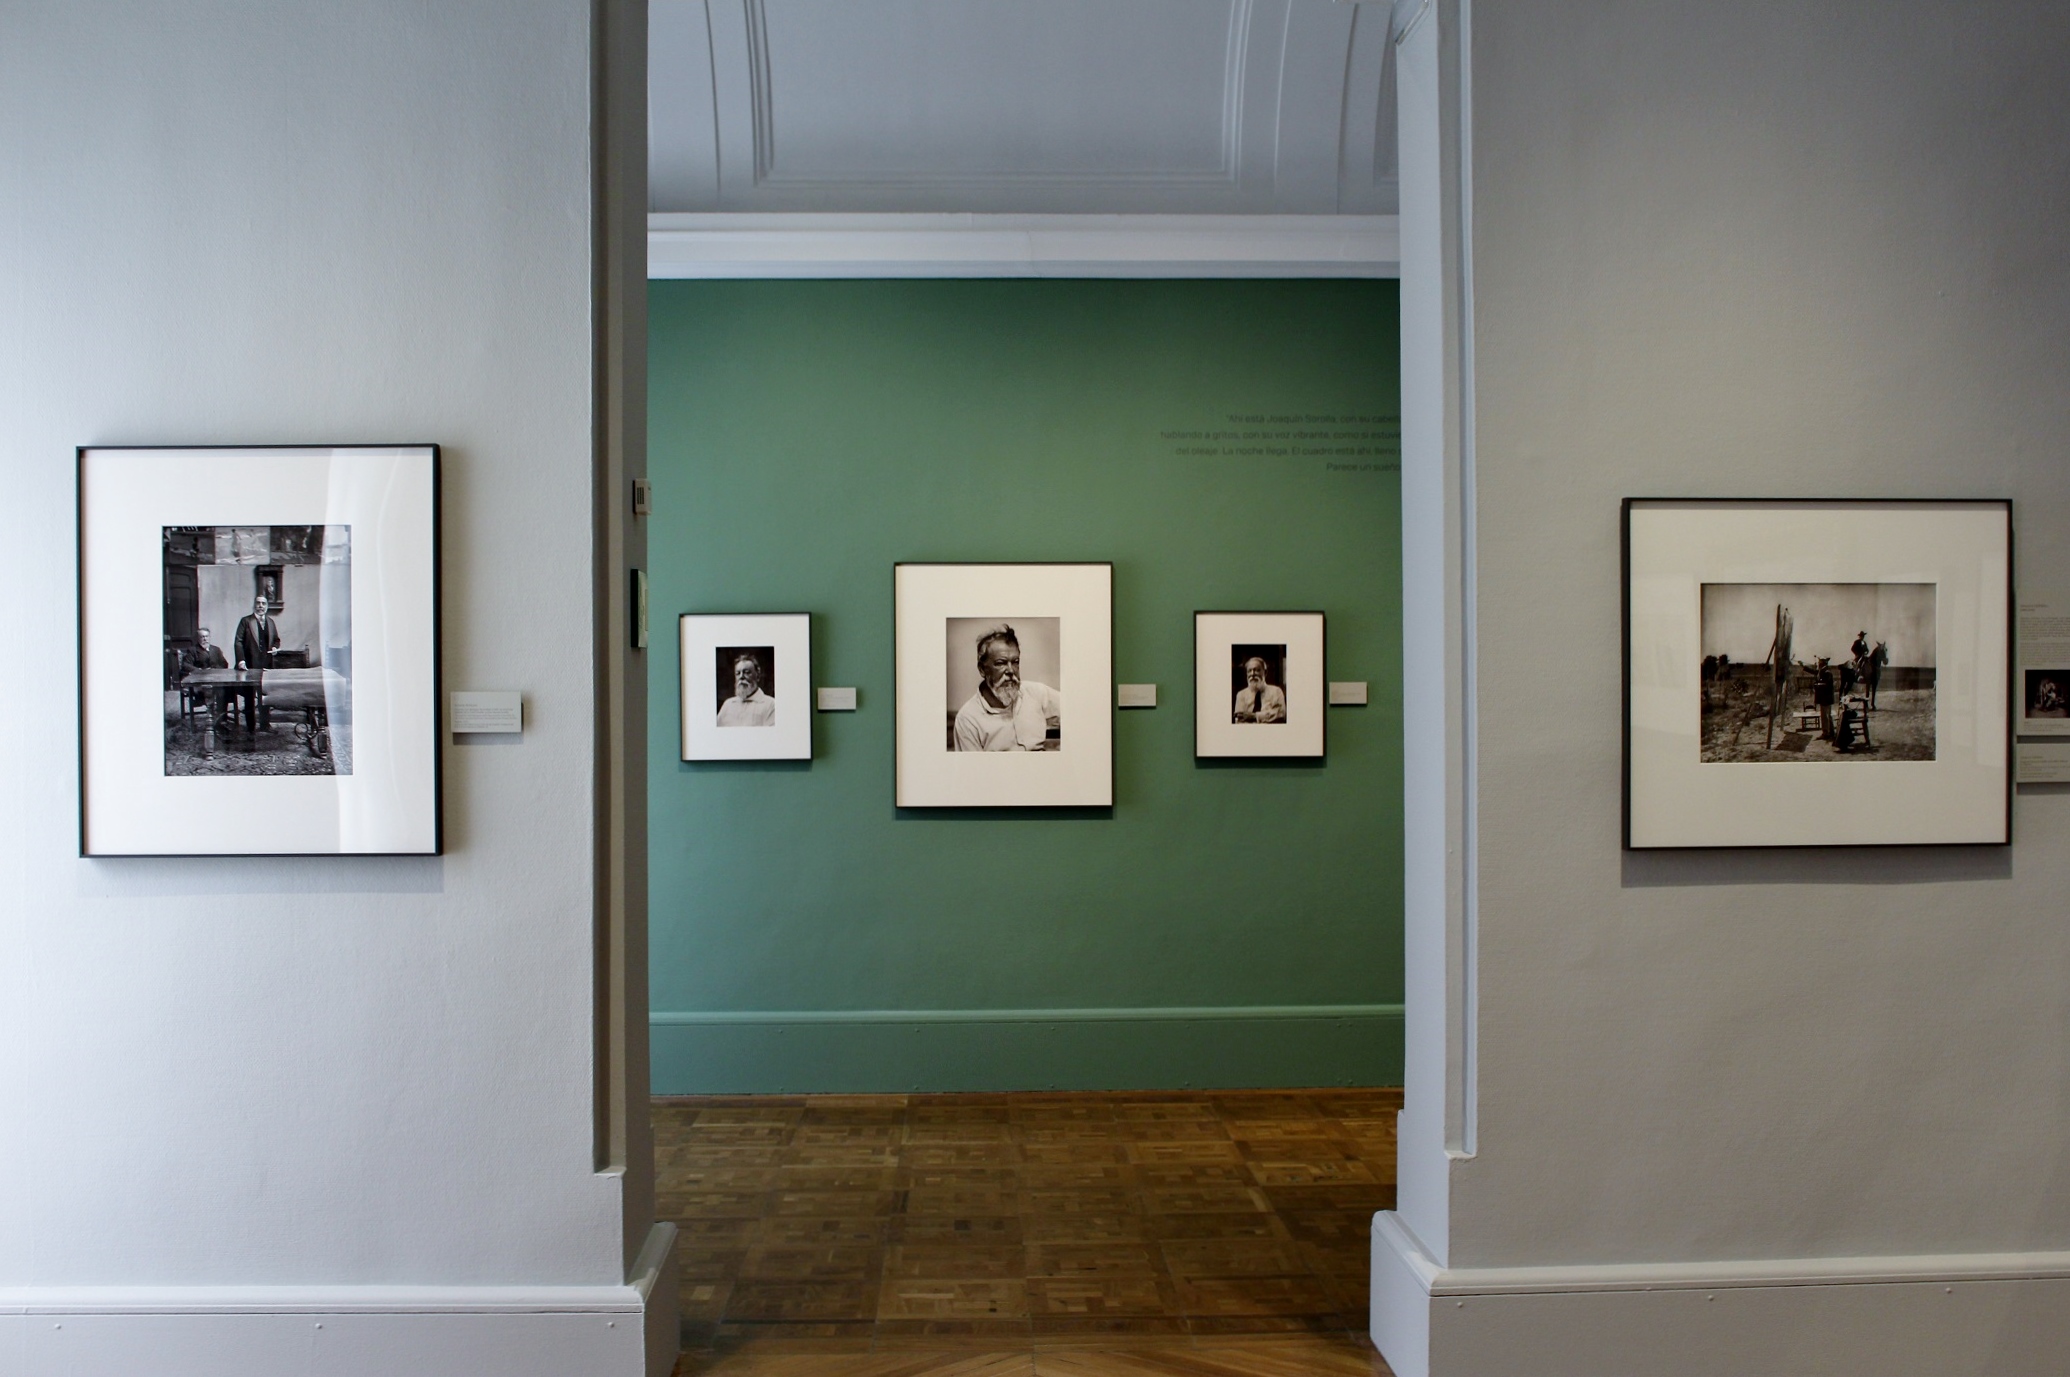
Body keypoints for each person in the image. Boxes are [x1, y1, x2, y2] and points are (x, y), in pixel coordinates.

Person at [953, 625, 1060, 751]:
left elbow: (1076, 708)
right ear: (982, 669)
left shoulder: (1036, 693)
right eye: (1000, 663)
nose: (1010, 670)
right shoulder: (968, 719)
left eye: (1015, 662)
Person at [716, 651, 776, 726]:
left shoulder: (770, 704)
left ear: (758, 676)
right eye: (738, 673)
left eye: (747, 672)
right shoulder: (728, 705)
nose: (741, 677)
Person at [234, 593, 279, 673]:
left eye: (263, 603)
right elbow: (238, 642)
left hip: (267, 666)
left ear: (267, 606)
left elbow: (276, 640)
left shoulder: (271, 622)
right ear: (254, 606)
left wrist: (275, 647)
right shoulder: (245, 621)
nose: (261, 606)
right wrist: (241, 660)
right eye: (258, 603)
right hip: (249, 665)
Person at [1233, 657, 1286, 724]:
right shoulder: (1241, 695)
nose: (1252, 674)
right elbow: (1239, 720)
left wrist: (1254, 716)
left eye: (1257, 670)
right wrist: (1266, 716)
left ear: (1265, 672)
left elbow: (1280, 714)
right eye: (1249, 671)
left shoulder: (1276, 691)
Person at [1813, 656, 1836, 740]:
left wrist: (1817, 685)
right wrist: (1803, 666)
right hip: (1826, 697)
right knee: (1827, 715)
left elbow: (1826, 685)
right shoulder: (1823, 671)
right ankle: (1831, 732)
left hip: (1826, 698)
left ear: (1822, 663)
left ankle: (1826, 733)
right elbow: (1814, 672)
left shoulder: (1827, 672)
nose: (1818, 664)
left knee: (1825, 716)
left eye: (1819, 662)